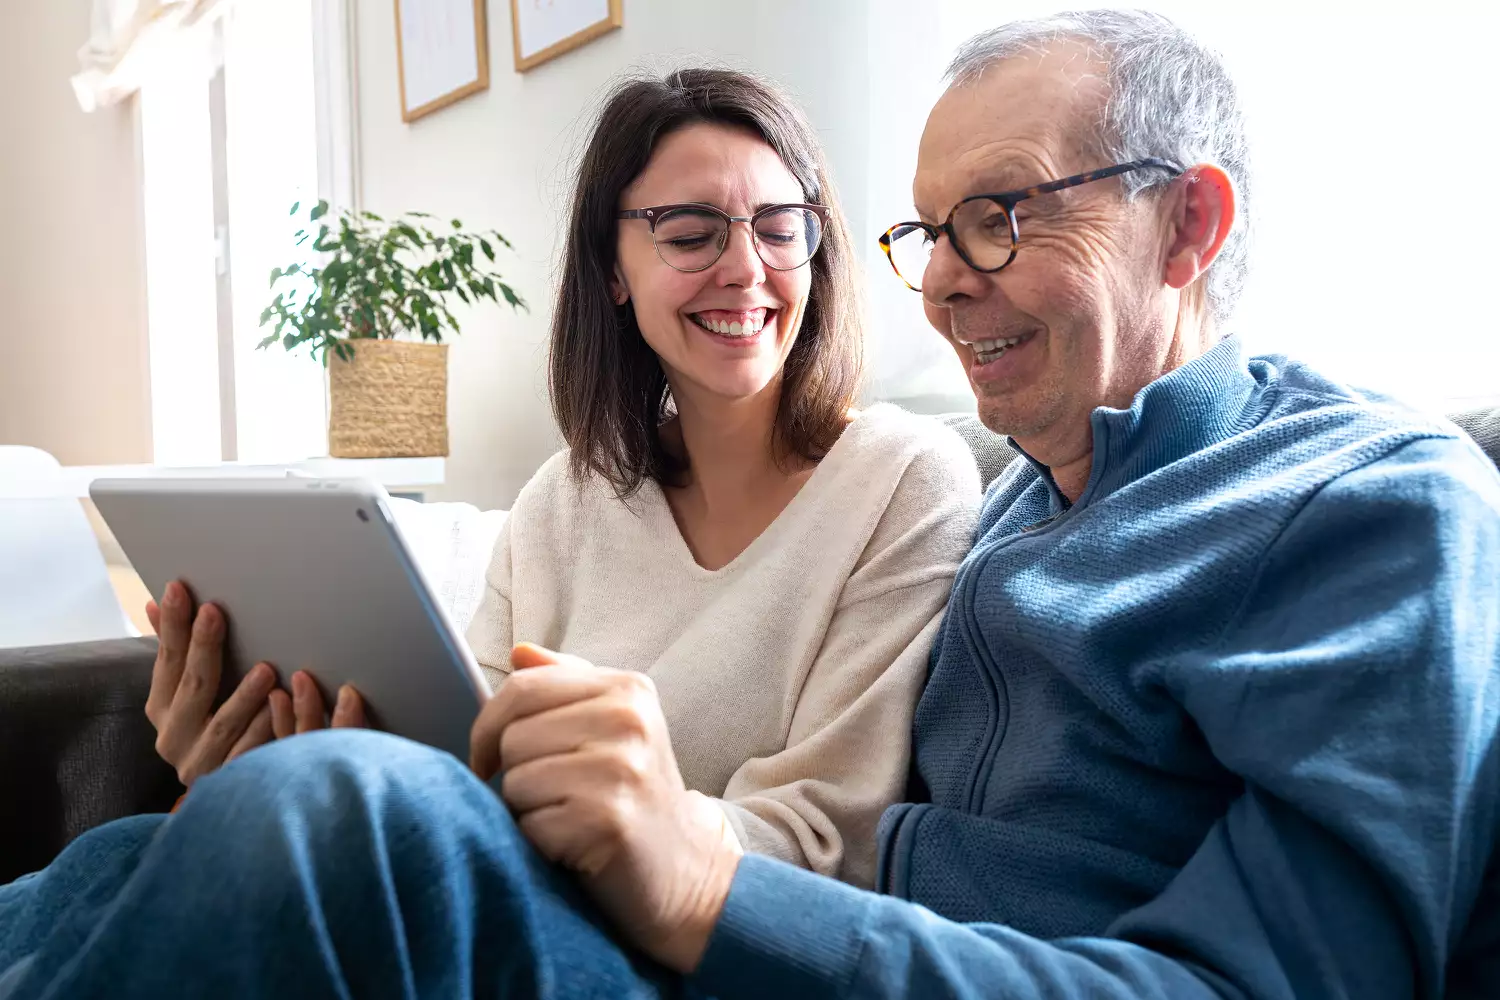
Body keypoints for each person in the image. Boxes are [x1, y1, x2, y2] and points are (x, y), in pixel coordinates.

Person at [4, 10, 1499, 999]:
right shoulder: (1022, 504)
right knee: (148, 843)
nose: (944, 278)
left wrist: (711, 884)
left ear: (1192, 223)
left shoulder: (1371, 499)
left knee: (341, 812)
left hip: (777, 960)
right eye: (930, 228)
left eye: (1004, 212)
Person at [111, 68, 982, 889]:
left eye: (782, 227)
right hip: (461, 883)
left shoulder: (901, 481)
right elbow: (461, 763)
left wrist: (626, 817)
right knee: (129, 848)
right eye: (690, 234)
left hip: (654, 949)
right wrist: (278, 760)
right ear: (612, 270)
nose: (747, 267)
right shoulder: (563, 502)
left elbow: (830, 840)